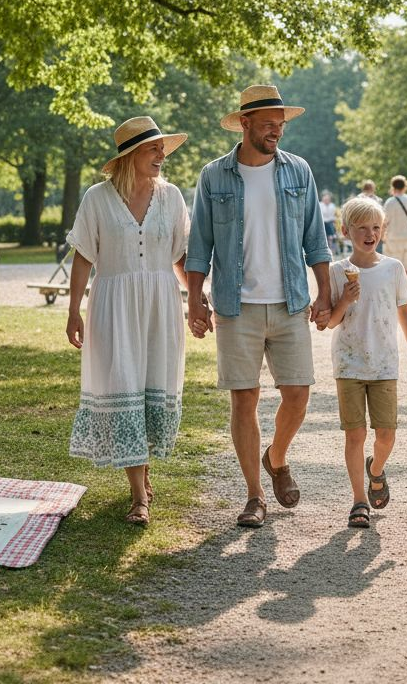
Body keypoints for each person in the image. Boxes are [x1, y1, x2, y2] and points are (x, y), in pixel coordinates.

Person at [186, 84, 332, 529]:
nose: (277, 132)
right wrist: (195, 298)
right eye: (268, 124)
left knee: (298, 394)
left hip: (290, 301)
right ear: (245, 123)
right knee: (244, 400)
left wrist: (324, 292)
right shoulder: (214, 176)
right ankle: (254, 495)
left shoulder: (298, 171)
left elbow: (314, 238)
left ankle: (277, 456)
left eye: (281, 124)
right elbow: (199, 245)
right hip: (235, 305)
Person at [66, 116, 191, 527]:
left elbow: (181, 257)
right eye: (152, 149)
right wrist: (73, 312)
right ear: (130, 156)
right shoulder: (97, 199)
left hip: (160, 305)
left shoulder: (172, 197)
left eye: (161, 149)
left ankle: (143, 474)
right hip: (113, 304)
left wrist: (200, 298)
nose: (161, 155)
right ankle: (139, 496)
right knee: (124, 386)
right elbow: (84, 255)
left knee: (150, 388)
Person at [325, 197, 407, 529]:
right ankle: (358, 501)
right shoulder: (337, 272)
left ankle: (376, 469)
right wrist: (345, 301)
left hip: (384, 364)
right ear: (345, 230)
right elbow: (331, 323)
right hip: (349, 364)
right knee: (355, 434)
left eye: (376, 227)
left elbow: (405, 312)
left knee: (386, 434)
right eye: (362, 228)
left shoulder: (392, 268)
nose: (370, 234)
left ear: (384, 229)